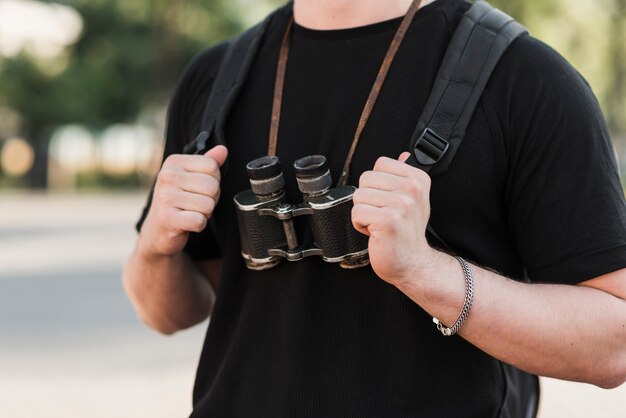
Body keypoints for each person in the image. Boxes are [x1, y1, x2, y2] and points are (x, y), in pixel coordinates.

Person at [123, 0, 626, 416]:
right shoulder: (215, 78)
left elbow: (613, 344)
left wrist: (427, 274)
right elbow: (170, 313)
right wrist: (154, 249)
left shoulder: (525, 78)